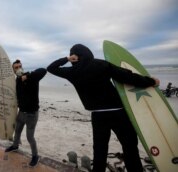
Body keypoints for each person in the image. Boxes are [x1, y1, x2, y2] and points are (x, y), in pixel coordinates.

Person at [47, 44, 160, 172]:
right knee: (130, 147)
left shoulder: (72, 72)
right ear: (88, 53)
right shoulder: (101, 64)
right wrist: (150, 81)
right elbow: (126, 77)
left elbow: (51, 68)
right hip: (118, 112)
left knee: (100, 149)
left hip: (98, 115)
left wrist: (66, 59)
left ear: (75, 56)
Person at [5, 59, 47, 167]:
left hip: (32, 114)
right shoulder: (17, 81)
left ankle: (35, 156)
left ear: (22, 67)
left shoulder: (32, 77)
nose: (18, 69)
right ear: (13, 70)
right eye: (16, 67)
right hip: (21, 113)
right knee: (17, 131)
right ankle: (15, 146)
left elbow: (43, 70)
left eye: (20, 66)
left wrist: (27, 76)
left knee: (30, 137)